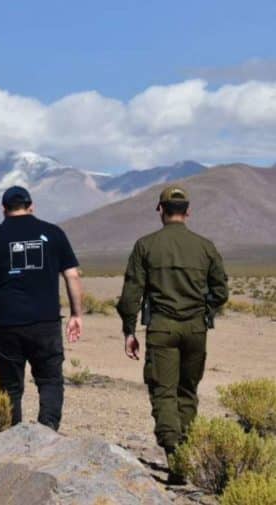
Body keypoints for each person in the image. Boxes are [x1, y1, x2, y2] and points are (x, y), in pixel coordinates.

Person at [116, 185, 227, 479]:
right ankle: (184, 455)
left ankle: (175, 455)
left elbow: (131, 295)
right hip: (196, 329)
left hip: (162, 328)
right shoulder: (206, 247)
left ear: (160, 211)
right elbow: (221, 291)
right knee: (187, 392)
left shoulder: (145, 246)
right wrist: (205, 310)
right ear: (188, 212)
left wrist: (129, 330)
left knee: (164, 392)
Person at [0, 186, 84, 431]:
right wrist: (76, 314)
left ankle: (11, 437)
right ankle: (47, 431)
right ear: (31, 206)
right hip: (46, 323)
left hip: (7, 324)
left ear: (3, 210)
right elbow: (72, 275)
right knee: (50, 380)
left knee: (10, 387)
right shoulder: (53, 233)